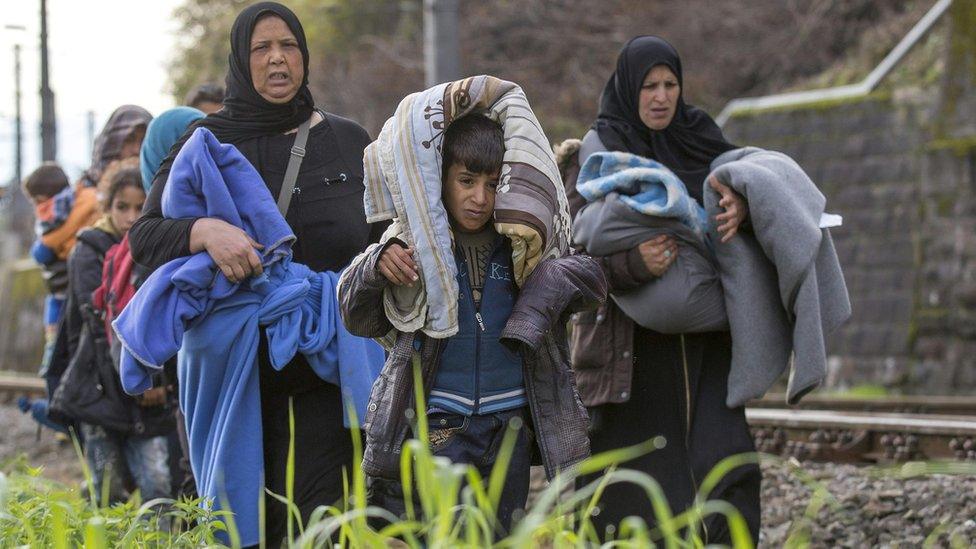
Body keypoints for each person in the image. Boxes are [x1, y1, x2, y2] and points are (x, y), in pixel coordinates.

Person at [128, 3, 387, 545]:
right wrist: (203, 231)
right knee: (248, 524)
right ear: (241, 62)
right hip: (237, 377)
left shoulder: (348, 140)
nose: (277, 60)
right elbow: (146, 237)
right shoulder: (206, 140)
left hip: (328, 370)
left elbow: (382, 236)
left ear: (304, 56)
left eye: (288, 46)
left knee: (326, 524)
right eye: (261, 49)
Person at [339, 95, 606, 536]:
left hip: (509, 429)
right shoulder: (412, 243)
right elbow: (353, 311)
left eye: (492, 183)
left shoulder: (526, 244)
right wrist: (376, 265)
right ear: (440, 178)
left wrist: (546, 288)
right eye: (466, 181)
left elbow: (592, 280)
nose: (479, 198)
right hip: (438, 426)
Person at [561, 36, 761, 543]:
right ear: (630, 89)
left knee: (724, 468)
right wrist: (632, 263)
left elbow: (738, 191)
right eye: (649, 85)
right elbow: (568, 262)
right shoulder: (599, 150)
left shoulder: (701, 137)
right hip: (628, 355)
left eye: (670, 84)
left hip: (705, 349)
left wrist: (741, 205)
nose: (661, 96)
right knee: (633, 492)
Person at [60, 162, 174, 504]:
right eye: (122, 207)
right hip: (101, 385)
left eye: (140, 208)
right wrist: (147, 377)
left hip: (145, 392)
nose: (130, 217)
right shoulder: (90, 250)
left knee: (156, 484)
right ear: (106, 207)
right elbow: (99, 323)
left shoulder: (151, 248)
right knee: (107, 486)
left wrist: (155, 378)